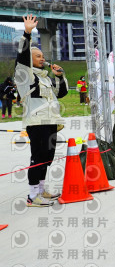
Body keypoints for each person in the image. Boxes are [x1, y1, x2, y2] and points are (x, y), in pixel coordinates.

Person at [14, 15, 68, 207]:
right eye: (38, 56)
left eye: (43, 56)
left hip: (50, 122)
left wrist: (60, 77)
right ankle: (32, 195)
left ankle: (41, 189)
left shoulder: (44, 78)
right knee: (37, 158)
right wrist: (27, 33)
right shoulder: (25, 75)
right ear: (29, 58)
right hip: (37, 123)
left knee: (47, 157)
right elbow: (21, 58)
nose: (42, 59)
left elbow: (61, 93)